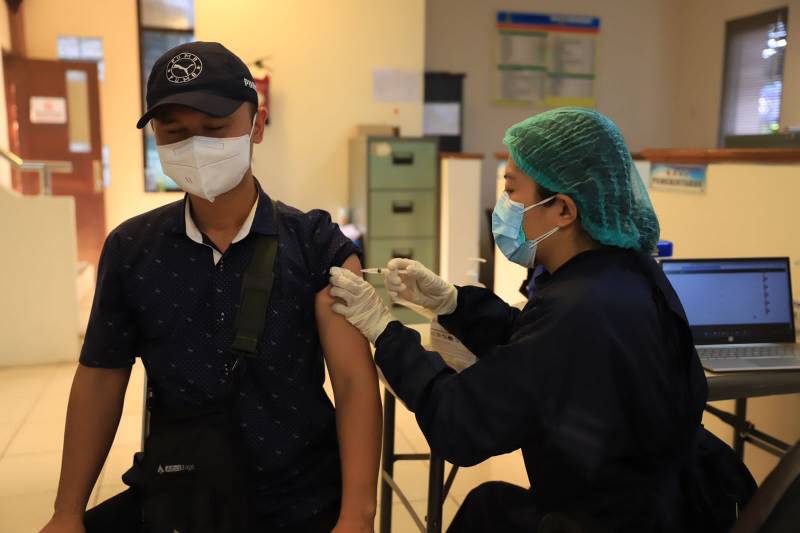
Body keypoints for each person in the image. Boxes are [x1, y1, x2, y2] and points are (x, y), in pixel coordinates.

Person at [329, 108, 756, 532]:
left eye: (511, 191)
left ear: (564, 210)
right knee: (490, 504)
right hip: (674, 502)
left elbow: (460, 423)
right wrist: (455, 304)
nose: (503, 208)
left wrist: (385, 331)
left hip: (617, 520)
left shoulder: (578, 307)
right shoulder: (623, 272)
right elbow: (536, 345)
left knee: (487, 512)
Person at [40, 42, 380, 533]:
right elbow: (100, 376)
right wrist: (67, 511)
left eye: (215, 129)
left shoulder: (316, 244)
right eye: (175, 133)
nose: (195, 147)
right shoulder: (132, 249)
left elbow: (352, 382)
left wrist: (357, 515)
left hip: (300, 494)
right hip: (181, 489)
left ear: (256, 126)